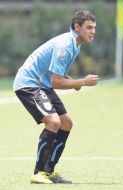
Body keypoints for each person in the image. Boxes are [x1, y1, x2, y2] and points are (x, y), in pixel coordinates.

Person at [13, 10, 99, 184]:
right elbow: (56, 82)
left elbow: (58, 74)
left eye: (94, 28)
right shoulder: (65, 45)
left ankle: (49, 171)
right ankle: (38, 173)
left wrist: (74, 82)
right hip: (29, 84)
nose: (93, 32)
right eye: (89, 28)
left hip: (42, 85)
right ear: (77, 27)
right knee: (53, 122)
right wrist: (81, 82)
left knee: (66, 123)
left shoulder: (75, 44)